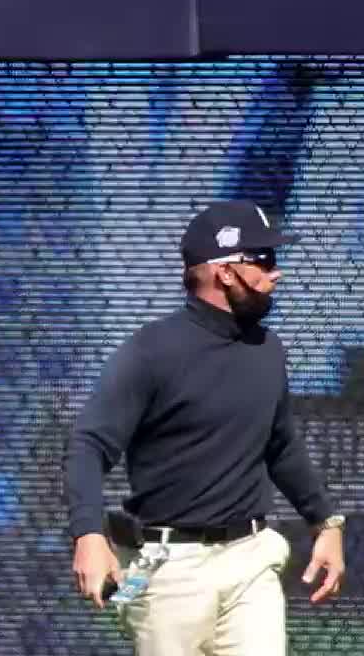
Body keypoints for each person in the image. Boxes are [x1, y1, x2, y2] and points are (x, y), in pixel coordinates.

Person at [65, 200, 345, 655]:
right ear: (226, 272)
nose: (277, 273)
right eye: (264, 260)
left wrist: (324, 522)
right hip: (167, 566)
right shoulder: (152, 351)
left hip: (250, 558)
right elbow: (88, 443)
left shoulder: (266, 348)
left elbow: (281, 444)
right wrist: (89, 535)